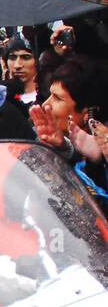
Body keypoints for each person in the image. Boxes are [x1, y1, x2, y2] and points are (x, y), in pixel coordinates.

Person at [30, 55, 108, 203]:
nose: (46, 104)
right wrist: (62, 149)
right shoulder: (56, 142)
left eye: (58, 98)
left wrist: (102, 157)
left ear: (88, 113)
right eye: (50, 95)